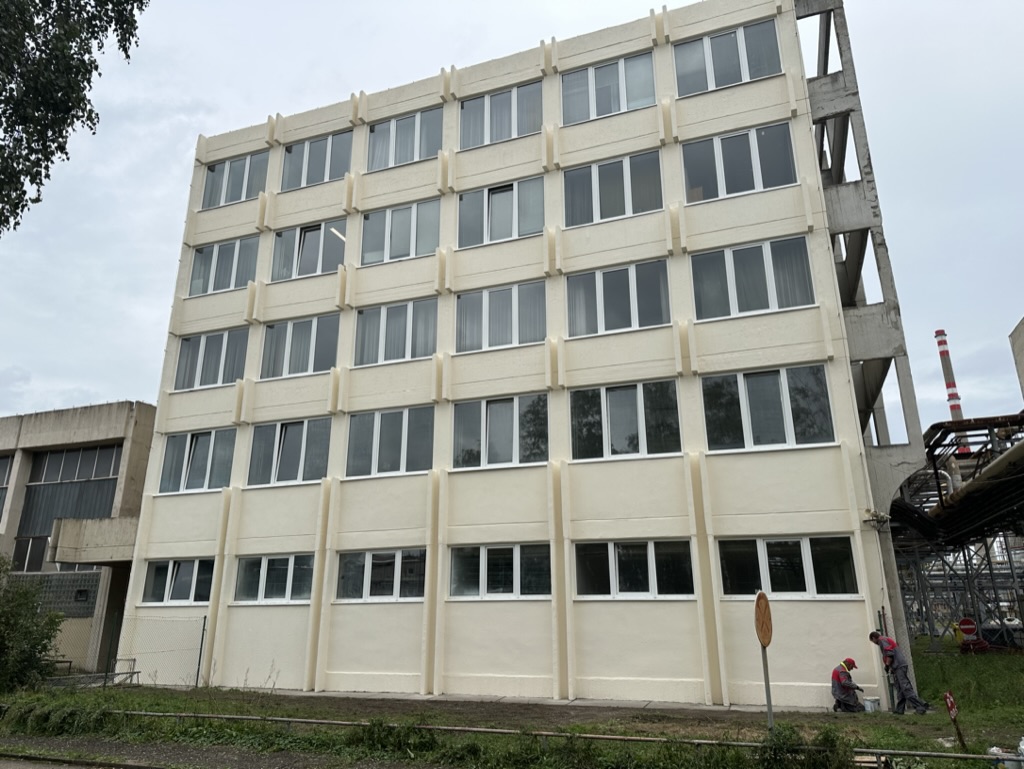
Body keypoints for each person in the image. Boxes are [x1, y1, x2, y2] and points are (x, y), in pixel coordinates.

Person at [869, 631, 930, 715]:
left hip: (898, 666)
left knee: (905, 687)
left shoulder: (882, 640)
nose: (874, 643)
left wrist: (887, 665)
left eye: (873, 641)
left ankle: (920, 706)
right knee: (900, 688)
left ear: (873, 638)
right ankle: (900, 709)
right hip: (897, 666)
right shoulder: (885, 639)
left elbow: (889, 654)